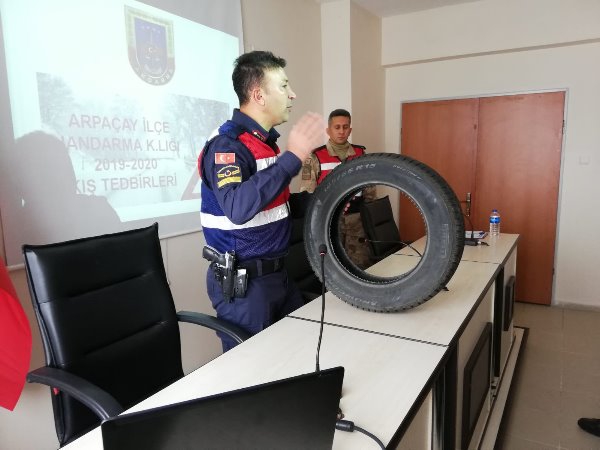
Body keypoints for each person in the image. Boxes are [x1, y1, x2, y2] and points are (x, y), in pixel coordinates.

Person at [198, 50, 324, 351]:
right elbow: (238, 207)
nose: (292, 94)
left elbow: (274, 206)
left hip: (277, 276)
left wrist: (326, 200)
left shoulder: (263, 144)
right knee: (252, 371)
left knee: (297, 353)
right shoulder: (227, 146)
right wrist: (293, 157)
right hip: (245, 287)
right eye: (284, 86)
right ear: (258, 95)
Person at [299, 108, 376, 269]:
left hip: (357, 221)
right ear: (328, 130)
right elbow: (307, 195)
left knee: (361, 266)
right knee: (332, 267)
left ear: (350, 130)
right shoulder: (315, 157)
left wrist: (369, 216)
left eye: (345, 127)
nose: (341, 131)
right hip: (329, 220)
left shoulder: (360, 154)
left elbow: (369, 190)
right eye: (337, 127)